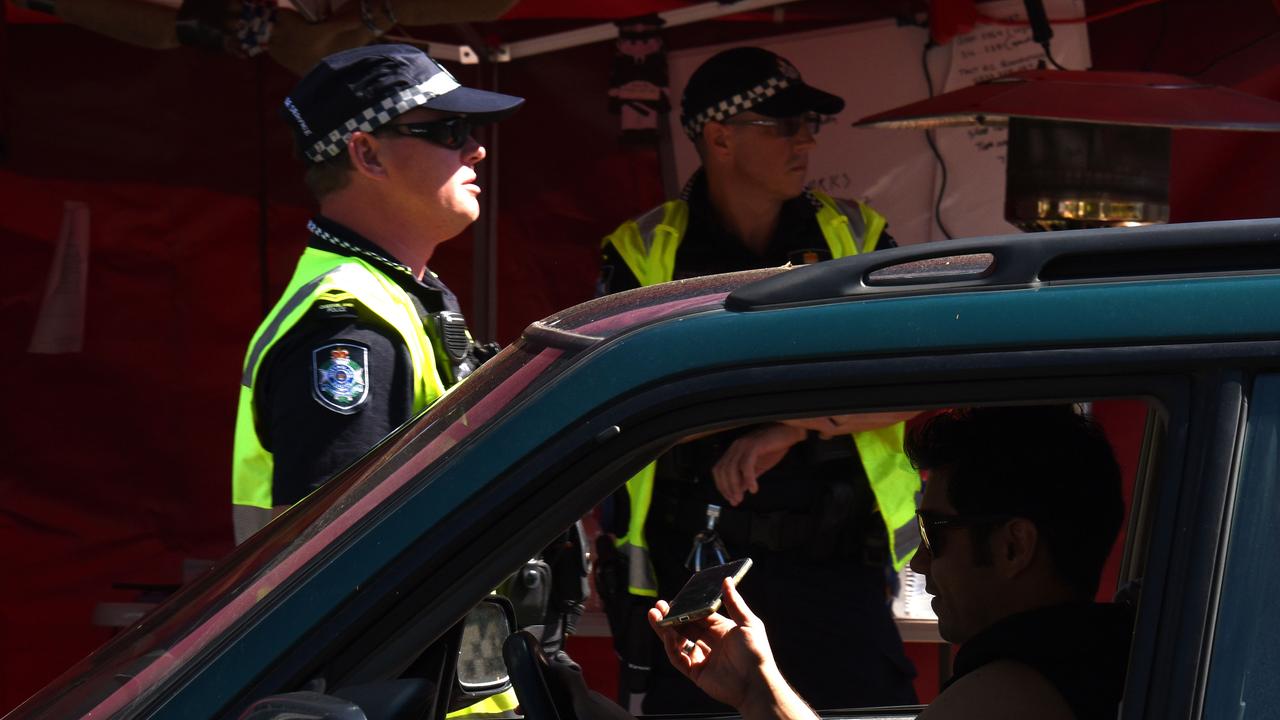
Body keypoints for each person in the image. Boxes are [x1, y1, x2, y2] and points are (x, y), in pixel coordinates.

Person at [597, 46, 920, 713]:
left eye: (809, 123)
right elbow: (614, 411)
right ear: (719, 137)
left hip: (840, 583)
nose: (806, 139)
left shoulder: (855, 237)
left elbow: (919, 381)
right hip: (695, 586)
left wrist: (790, 427)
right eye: (783, 124)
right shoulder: (642, 252)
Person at [649, 405, 1135, 720]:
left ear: (1014, 547)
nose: (921, 562)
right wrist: (758, 690)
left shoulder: (1009, 697)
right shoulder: (1086, 665)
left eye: (934, 533)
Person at [231, 44, 523, 544]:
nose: (476, 149)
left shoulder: (400, 292)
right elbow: (331, 559)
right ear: (367, 154)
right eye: (448, 131)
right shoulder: (347, 325)